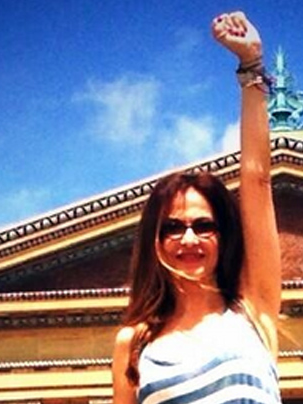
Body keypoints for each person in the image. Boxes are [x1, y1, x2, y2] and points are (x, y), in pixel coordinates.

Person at [112, 11, 282, 404]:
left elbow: (257, 180)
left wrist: (251, 66)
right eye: (173, 227)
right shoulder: (134, 344)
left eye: (204, 225)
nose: (189, 238)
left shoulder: (253, 310)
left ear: (223, 237)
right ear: (155, 241)